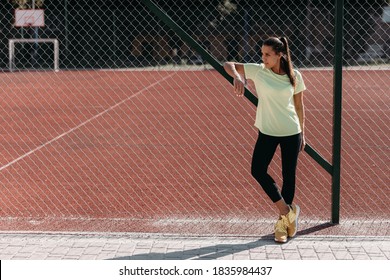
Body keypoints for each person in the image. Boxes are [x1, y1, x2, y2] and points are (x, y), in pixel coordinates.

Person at [223, 37, 306, 243]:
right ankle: (288, 211)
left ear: (280, 55)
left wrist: (302, 133)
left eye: (268, 54)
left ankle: (282, 225)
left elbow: (299, 106)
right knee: (257, 169)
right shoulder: (258, 70)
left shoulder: (295, 75)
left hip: (290, 131)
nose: (263, 57)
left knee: (289, 176)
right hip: (267, 131)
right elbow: (228, 64)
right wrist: (238, 77)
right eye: (262, 53)